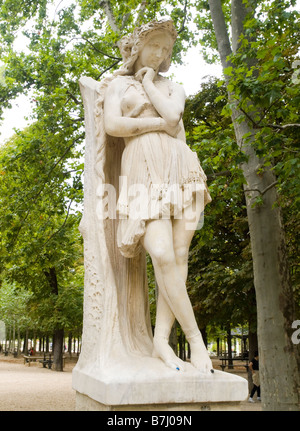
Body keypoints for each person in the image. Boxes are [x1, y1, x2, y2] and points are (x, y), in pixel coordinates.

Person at [101, 19, 212, 373]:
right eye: (155, 46)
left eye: (166, 49)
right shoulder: (116, 84)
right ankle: (196, 340)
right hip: (140, 167)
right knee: (162, 253)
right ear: (138, 48)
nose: (161, 54)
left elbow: (174, 115)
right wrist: (152, 125)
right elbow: (113, 126)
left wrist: (149, 82)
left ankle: (162, 342)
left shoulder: (173, 87)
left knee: (179, 256)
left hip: (182, 168)